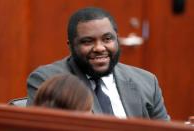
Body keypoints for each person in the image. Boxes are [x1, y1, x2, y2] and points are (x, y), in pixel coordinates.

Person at [27, 7, 170, 120]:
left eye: (107, 39)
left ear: (117, 40)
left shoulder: (147, 81)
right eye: (88, 41)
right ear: (70, 46)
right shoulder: (48, 80)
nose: (99, 48)